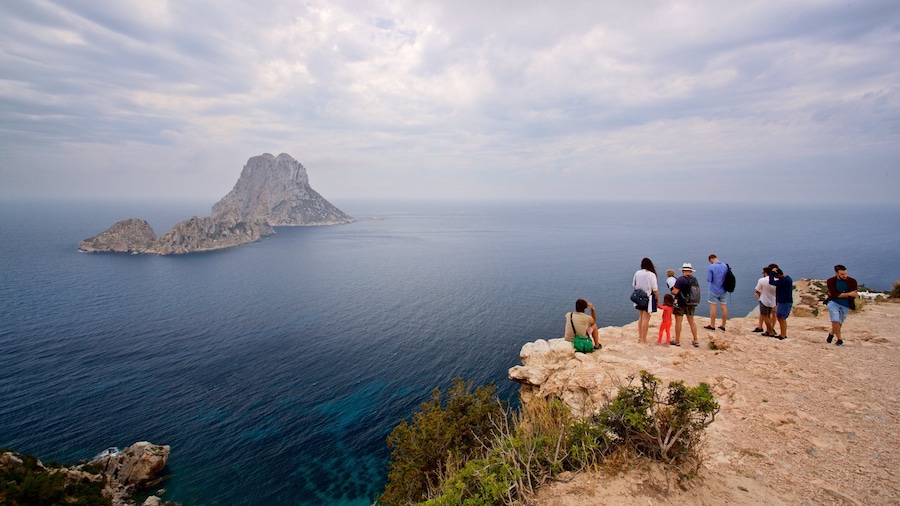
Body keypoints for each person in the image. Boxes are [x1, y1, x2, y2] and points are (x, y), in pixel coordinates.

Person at [825, 264, 858, 346]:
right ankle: (839, 339)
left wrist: (841, 294)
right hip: (833, 302)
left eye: (845, 273)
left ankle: (831, 333)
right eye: (842, 274)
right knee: (835, 320)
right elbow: (834, 295)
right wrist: (848, 294)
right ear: (836, 273)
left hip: (846, 304)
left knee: (839, 323)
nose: (844, 276)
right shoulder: (831, 281)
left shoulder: (852, 281)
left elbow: (854, 294)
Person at [671, 263, 700, 347]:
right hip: (691, 302)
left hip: (680, 303)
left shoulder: (681, 279)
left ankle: (677, 340)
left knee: (678, 322)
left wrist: (672, 289)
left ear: (683, 271)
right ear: (691, 271)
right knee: (691, 321)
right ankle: (695, 340)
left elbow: (675, 292)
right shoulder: (694, 279)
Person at [632, 258, 660, 345]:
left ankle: (640, 338)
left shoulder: (637, 273)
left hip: (639, 297)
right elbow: (654, 288)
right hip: (648, 298)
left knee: (640, 317)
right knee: (646, 319)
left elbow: (634, 285)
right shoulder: (651, 274)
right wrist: (657, 298)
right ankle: (644, 340)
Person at [705, 254, 729, 331]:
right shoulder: (725, 266)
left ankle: (712, 325)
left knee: (713, 307)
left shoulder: (711, 267)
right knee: (724, 307)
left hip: (713, 289)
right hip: (723, 289)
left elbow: (709, 279)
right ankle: (723, 325)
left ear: (710, 259)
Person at [768, 264, 792, 340]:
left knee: (781, 318)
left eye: (776, 276)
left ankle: (783, 335)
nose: (776, 278)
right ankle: (783, 334)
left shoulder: (784, 281)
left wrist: (772, 273)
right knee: (782, 318)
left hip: (784, 302)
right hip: (784, 301)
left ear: (778, 274)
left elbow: (771, 282)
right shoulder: (787, 278)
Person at [753, 266, 777, 336]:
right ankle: (769, 330)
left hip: (764, 300)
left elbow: (757, 290)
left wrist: (758, 294)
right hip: (773, 301)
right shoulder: (776, 280)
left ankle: (771, 331)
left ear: (766, 273)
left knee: (764, 316)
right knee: (769, 316)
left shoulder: (762, 280)